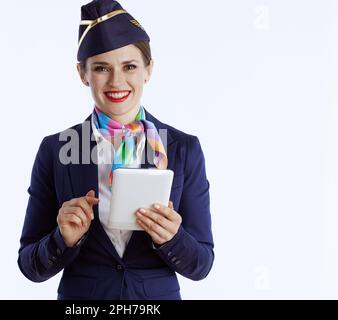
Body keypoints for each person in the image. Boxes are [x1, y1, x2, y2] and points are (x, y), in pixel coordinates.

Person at [18, 0, 214, 300]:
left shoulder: (184, 148)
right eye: (101, 68)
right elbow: (29, 264)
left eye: (130, 66)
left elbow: (202, 264)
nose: (117, 81)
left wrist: (172, 239)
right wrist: (63, 239)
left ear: (148, 70)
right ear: (82, 74)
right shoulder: (55, 150)